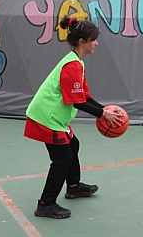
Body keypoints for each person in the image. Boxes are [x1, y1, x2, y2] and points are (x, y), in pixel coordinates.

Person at [24, 16, 123, 219]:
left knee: (73, 145)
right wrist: (103, 114)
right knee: (62, 159)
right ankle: (45, 203)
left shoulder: (77, 62)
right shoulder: (72, 66)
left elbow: (84, 97)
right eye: (94, 39)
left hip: (55, 118)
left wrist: (104, 109)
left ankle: (74, 187)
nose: (96, 43)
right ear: (82, 41)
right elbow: (76, 102)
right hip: (46, 118)